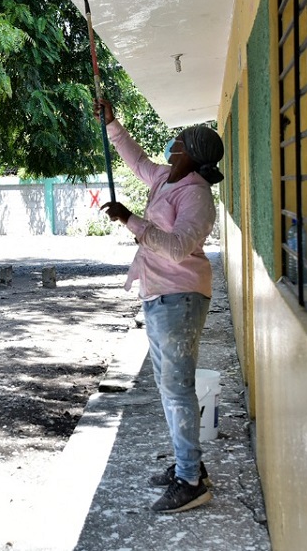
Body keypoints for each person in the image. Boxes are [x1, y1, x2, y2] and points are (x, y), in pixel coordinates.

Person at [95, 98, 225, 514]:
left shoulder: (198, 197)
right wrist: (112, 123)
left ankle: (190, 481)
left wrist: (131, 220)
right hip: (157, 294)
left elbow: (176, 248)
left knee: (177, 389)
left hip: (181, 295)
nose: (172, 145)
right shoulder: (167, 180)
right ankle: (191, 467)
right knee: (170, 388)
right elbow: (134, 160)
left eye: (180, 142)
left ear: (192, 154)